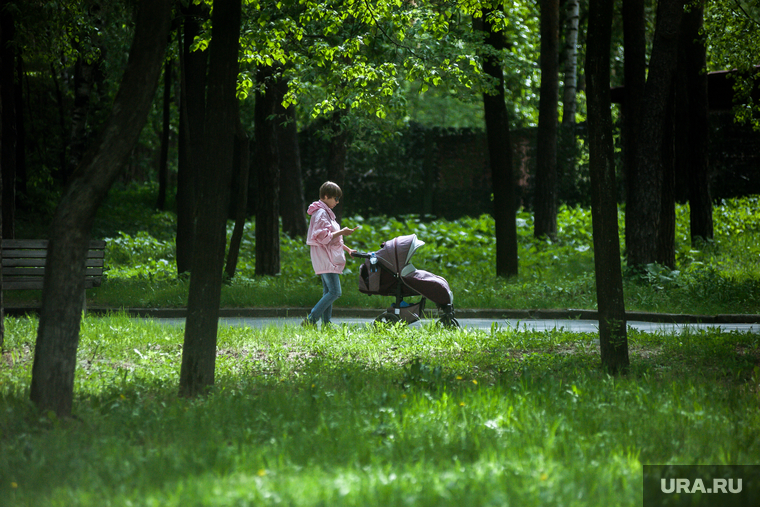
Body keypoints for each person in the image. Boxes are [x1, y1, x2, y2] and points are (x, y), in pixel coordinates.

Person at [303, 181, 359, 327]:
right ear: (326, 196)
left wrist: (348, 250)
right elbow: (322, 237)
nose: (337, 202)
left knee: (328, 292)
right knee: (335, 292)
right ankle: (311, 320)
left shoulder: (325, 212)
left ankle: (327, 324)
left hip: (327, 257)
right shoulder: (321, 213)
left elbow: (333, 239)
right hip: (326, 258)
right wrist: (342, 231)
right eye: (335, 198)